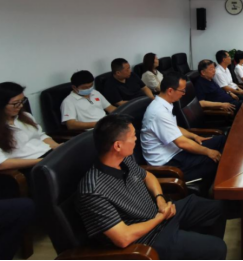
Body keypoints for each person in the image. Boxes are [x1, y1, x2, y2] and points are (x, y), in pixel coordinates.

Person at [76, 115, 228, 260]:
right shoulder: (93, 190)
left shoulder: (123, 161)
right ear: (118, 145)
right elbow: (123, 238)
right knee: (217, 248)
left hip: (159, 214)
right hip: (148, 239)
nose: (136, 139)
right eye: (133, 136)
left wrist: (159, 199)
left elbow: (149, 177)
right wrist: (159, 218)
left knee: (217, 208)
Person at [142, 72, 226, 183]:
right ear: (170, 91)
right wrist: (208, 151)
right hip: (168, 162)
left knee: (221, 140)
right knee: (214, 159)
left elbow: (174, 127)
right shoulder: (158, 112)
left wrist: (194, 136)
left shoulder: (165, 103)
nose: (184, 93)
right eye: (182, 90)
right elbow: (182, 143)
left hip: (176, 151)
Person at [0, 83, 61, 177]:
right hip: (29, 166)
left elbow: (41, 136)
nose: (20, 106)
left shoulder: (25, 117)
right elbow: (2, 163)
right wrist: (42, 161)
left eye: (22, 101)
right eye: (15, 103)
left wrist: (58, 148)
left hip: (48, 155)